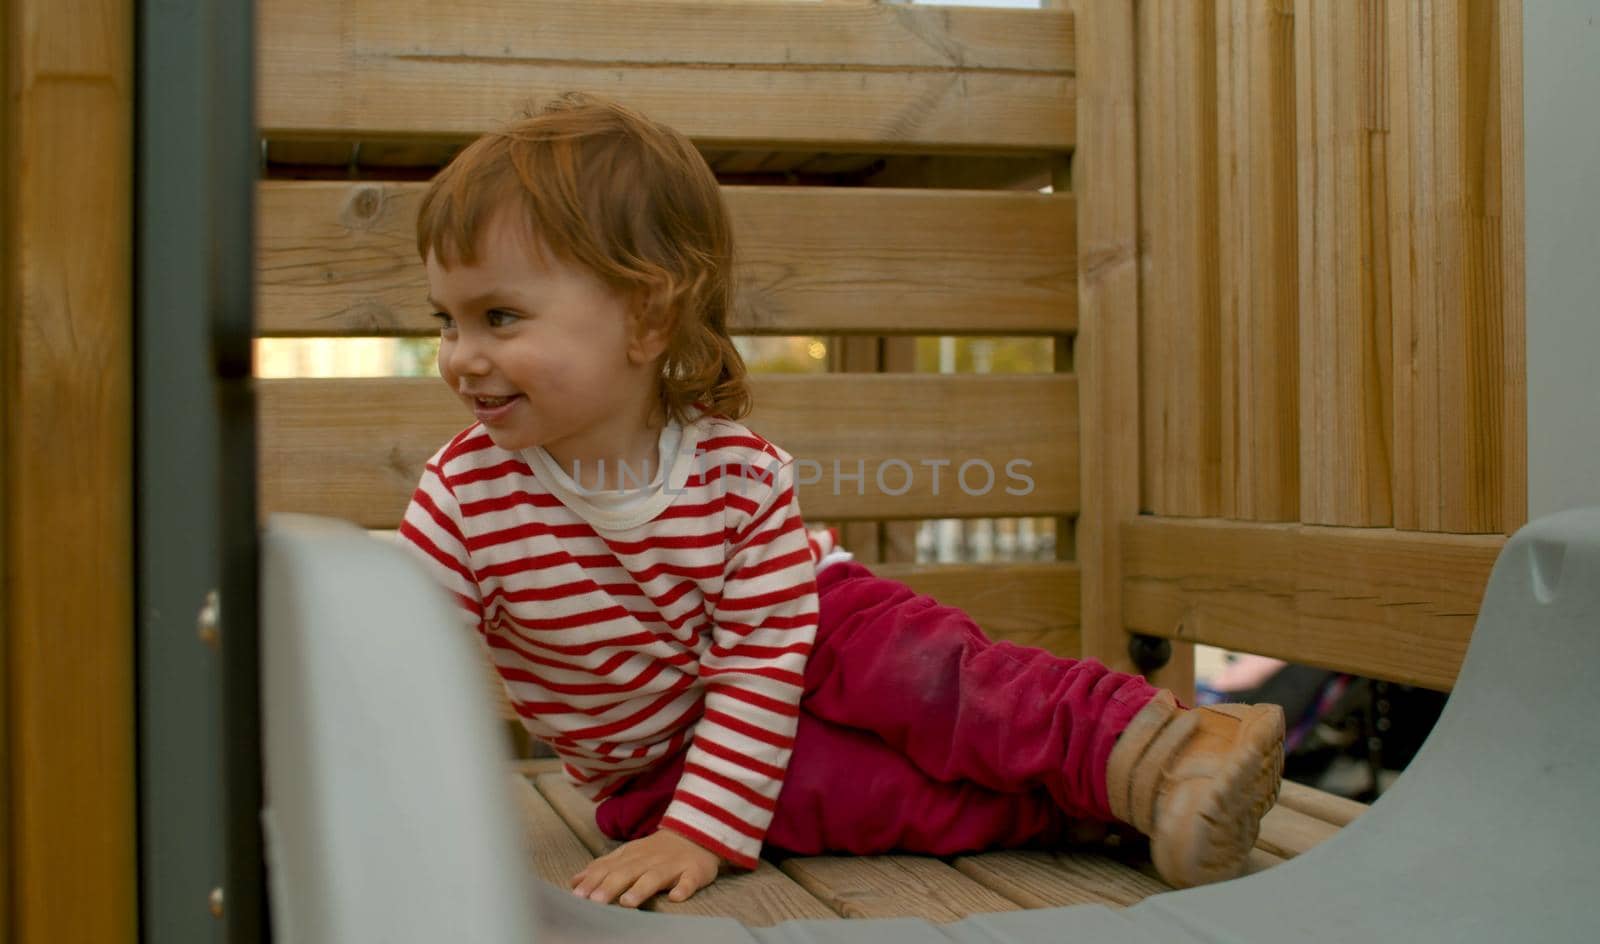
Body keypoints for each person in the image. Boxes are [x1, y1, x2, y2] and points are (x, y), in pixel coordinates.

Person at [397, 91, 1284, 909]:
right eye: (446, 319)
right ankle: (1096, 815)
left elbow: (763, 660)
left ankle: (1155, 749)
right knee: (868, 799)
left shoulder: (736, 474)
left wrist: (704, 831)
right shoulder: (463, 501)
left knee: (935, 679)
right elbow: (395, 664)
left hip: (814, 625)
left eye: (499, 317)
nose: (461, 354)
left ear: (647, 318)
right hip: (659, 763)